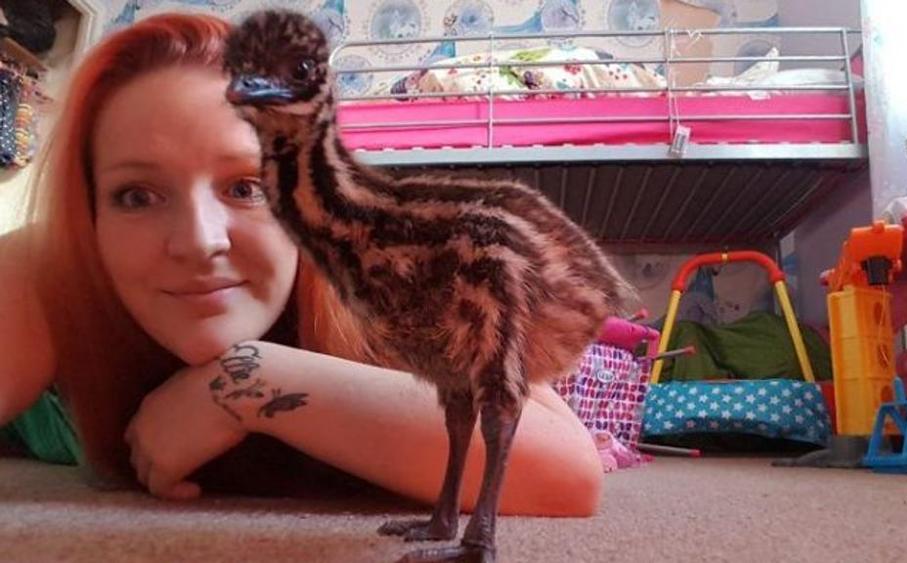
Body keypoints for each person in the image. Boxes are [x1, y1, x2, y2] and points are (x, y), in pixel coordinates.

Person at [0, 12, 602, 516]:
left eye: (246, 188)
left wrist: (251, 383)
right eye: (137, 196)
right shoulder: (48, 270)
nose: (199, 242)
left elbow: (568, 472)